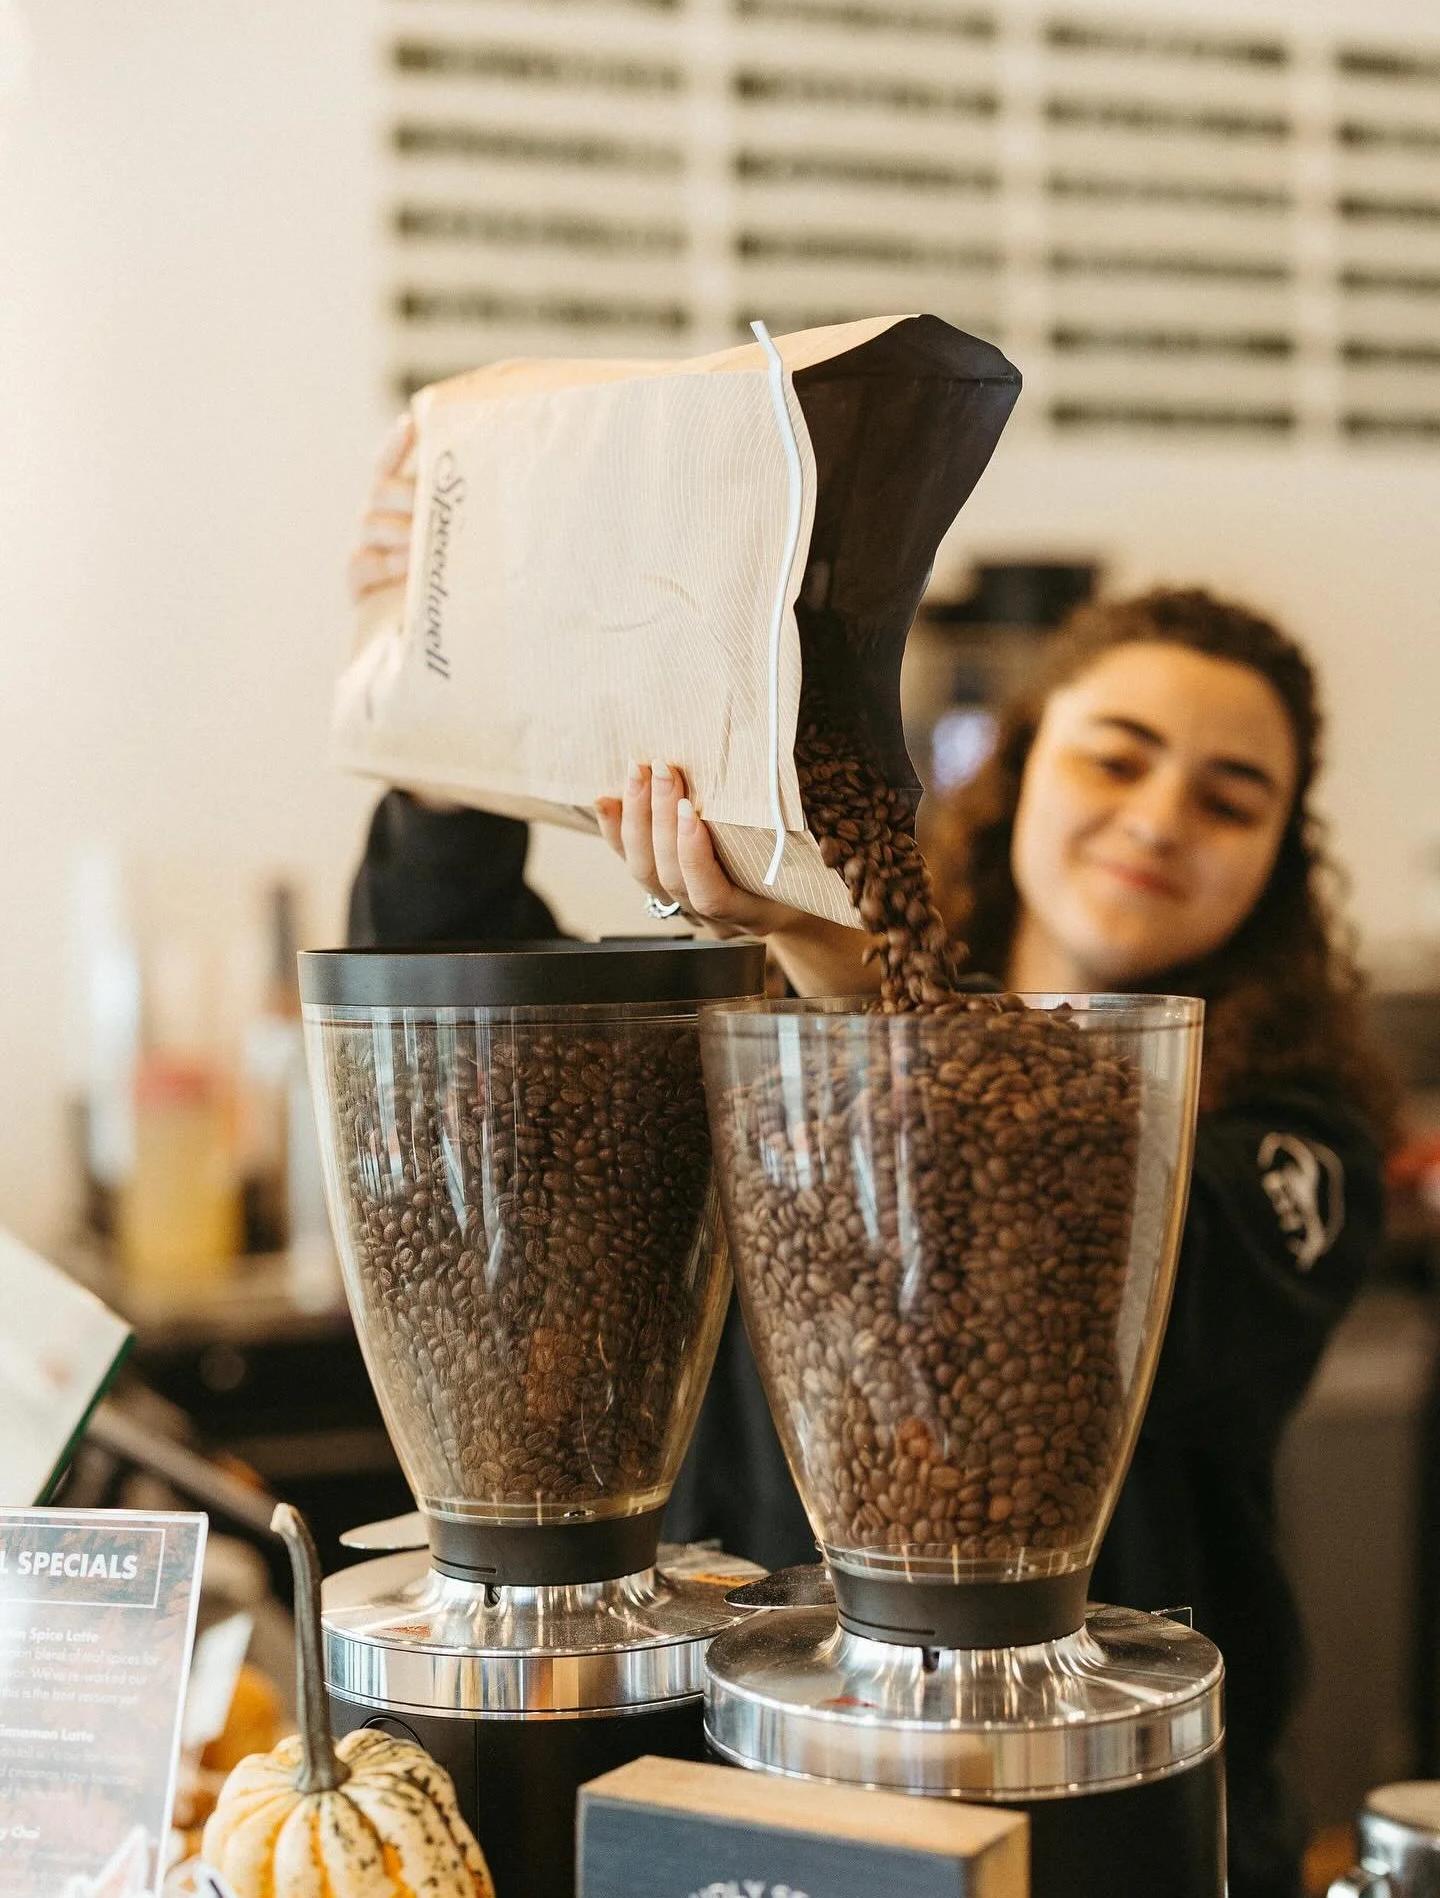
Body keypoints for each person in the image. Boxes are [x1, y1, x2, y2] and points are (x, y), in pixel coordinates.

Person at [346, 457, 1392, 1896]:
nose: (1159, 816)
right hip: (764, 1776)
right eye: (1117, 754)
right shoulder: (773, 1031)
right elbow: (492, 1045)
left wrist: (848, 978)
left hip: (1105, 1807)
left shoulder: (1298, 1134)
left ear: (1279, 859)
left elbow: (1076, 1214)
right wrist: (444, 714)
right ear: (1020, 769)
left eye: (1230, 797)